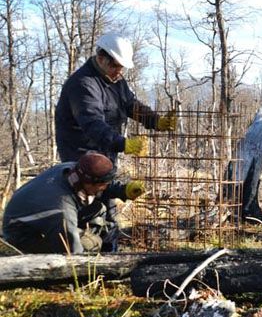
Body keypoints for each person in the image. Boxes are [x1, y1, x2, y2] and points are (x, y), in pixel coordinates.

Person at [54, 32, 177, 164]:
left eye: (121, 67)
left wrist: (155, 120)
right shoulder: (83, 84)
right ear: (101, 58)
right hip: (81, 159)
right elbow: (92, 123)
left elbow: (130, 104)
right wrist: (123, 144)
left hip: (104, 153)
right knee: (94, 183)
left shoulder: (114, 79)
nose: (119, 71)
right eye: (115, 66)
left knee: (107, 182)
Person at [2, 153, 145, 254]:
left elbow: (101, 185)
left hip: (36, 217)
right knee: (90, 244)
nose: (106, 187)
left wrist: (123, 190)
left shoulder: (73, 169)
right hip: (22, 234)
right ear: (90, 183)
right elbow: (73, 251)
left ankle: (96, 244)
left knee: (98, 209)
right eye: (104, 185)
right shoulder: (61, 207)